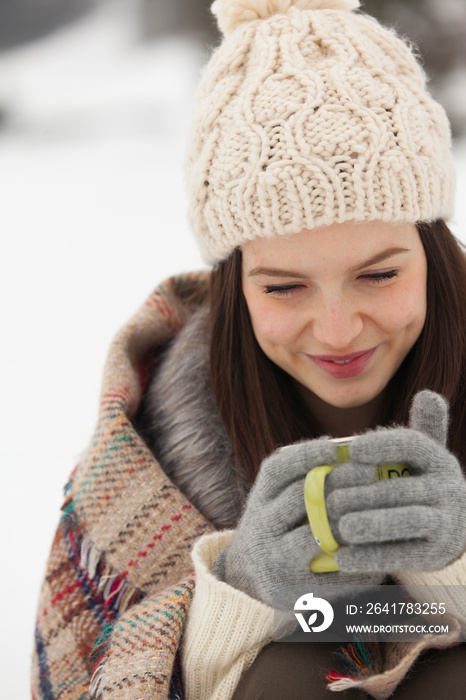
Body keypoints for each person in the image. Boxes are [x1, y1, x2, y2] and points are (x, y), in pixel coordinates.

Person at [32, 1, 466, 698]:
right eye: (286, 288)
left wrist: (453, 577)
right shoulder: (143, 459)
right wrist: (241, 595)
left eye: (379, 275)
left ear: (434, 255)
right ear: (236, 287)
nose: (336, 330)